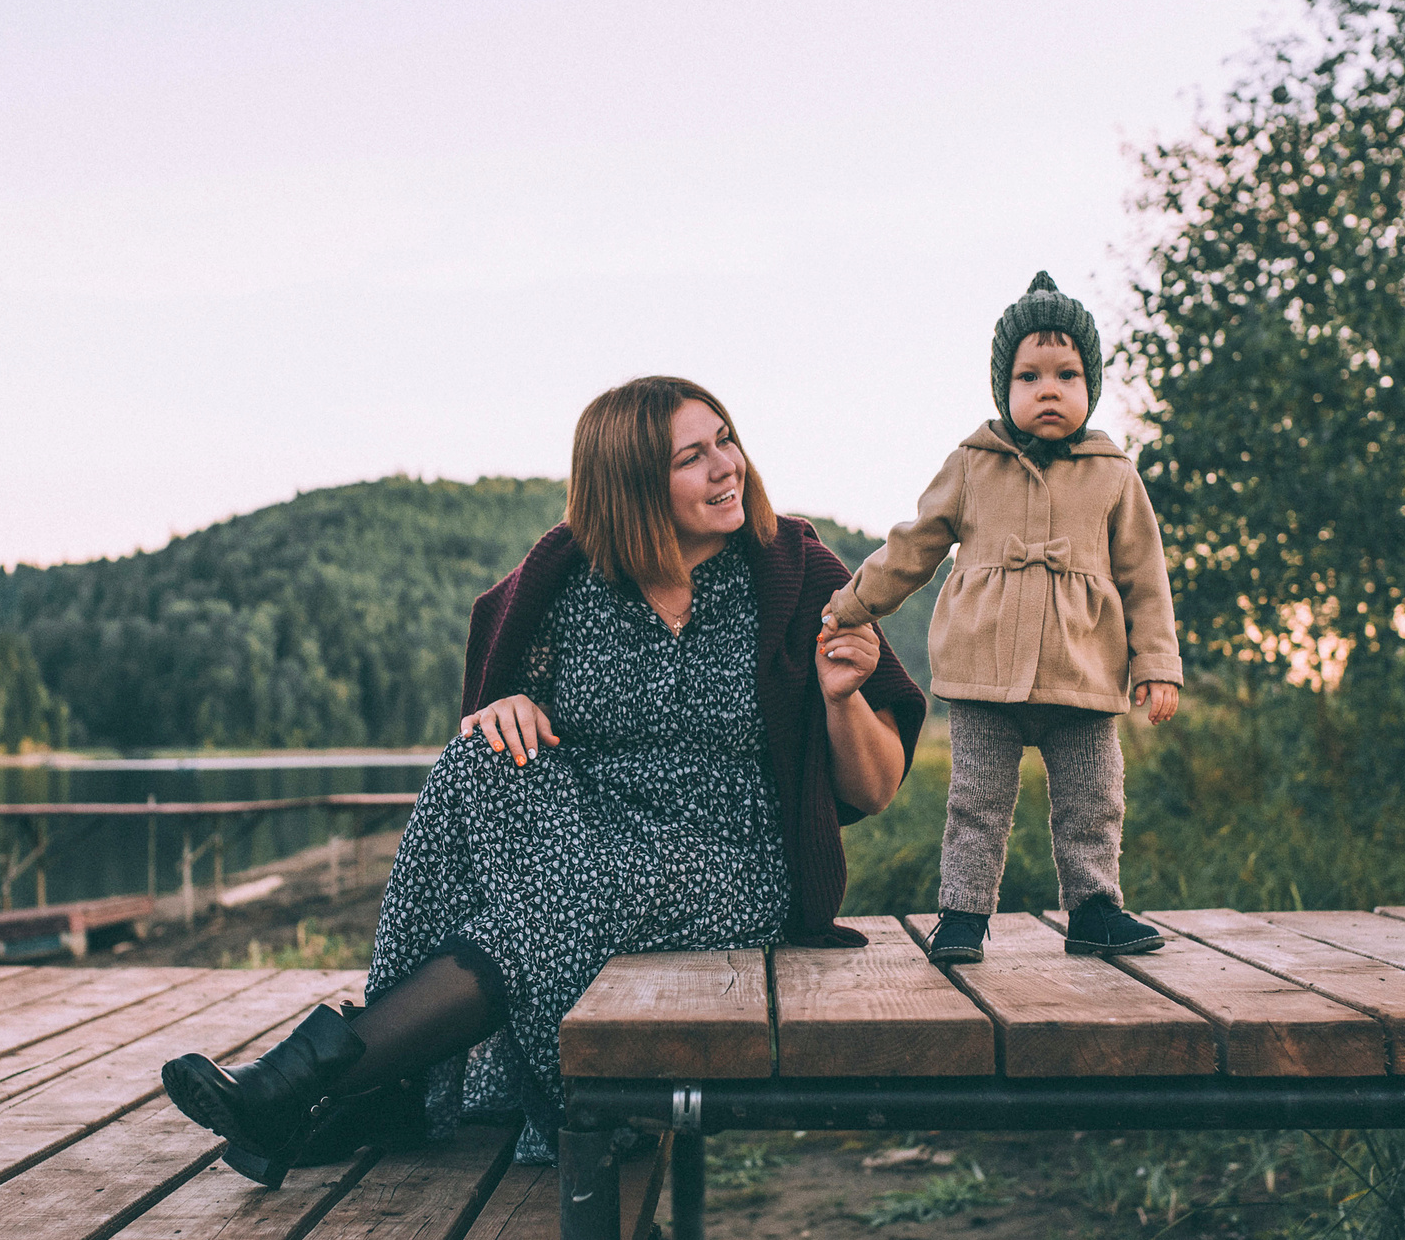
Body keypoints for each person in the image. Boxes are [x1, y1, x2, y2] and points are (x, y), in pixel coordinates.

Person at [162, 375, 928, 1185]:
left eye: (725, 441)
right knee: (478, 760)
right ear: (631, 483)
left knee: (557, 892)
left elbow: (874, 790)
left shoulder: (798, 576)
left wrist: (842, 700)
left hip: (729, 859)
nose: (725, 467)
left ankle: (342, 1078)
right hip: (581, 845)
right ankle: (366, 1081)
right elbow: (492, 722)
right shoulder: (568, 587)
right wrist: (506, 705)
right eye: (690, 457)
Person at [821, 273, 1181, 967]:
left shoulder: (1114, 474)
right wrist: (850, 605)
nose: (1049, 389)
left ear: (1091, 387)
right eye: (1030, 376)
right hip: (985, 676)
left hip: (1082, 676)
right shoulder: (972, 465)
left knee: (1093, 800)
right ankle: (961, 914)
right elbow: (915, 546)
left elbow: (1145, 578)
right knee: (976, 805)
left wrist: (1157, 665)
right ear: (1003, 389)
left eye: (1067, 374)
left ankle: (1095, 908)